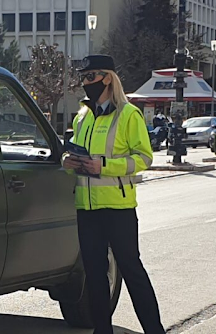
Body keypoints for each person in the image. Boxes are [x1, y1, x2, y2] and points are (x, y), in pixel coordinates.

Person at [62, 55, 165, 334]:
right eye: (83, 78)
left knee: (131, 271)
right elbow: (74, 150)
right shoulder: (83, 115)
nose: (86, 82)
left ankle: (155, 330)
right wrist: (68, 162)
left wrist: (105, 166)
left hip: (118, 208)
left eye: (91, 76)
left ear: (108, 78)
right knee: (94, 276)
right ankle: (101, 331)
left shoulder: (128, 114)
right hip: (87, 207)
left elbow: (144, 158)